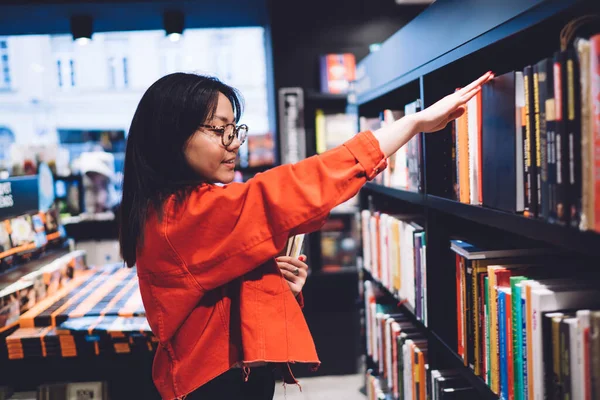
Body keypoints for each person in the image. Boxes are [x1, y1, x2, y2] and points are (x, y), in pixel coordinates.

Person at [118, 71, 493, 400]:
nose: (233, 142)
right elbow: (293, 189)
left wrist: (276, 287)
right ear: (171, 137)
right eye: (219, 130)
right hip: (214, 386)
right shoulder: (183, 213)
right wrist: (413, 124)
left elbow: (217, 297)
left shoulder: (182, 208)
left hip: (227, 380)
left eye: (235, 129)